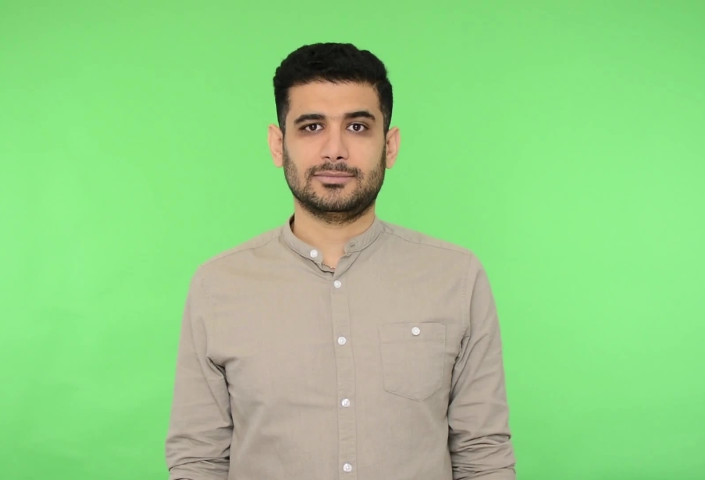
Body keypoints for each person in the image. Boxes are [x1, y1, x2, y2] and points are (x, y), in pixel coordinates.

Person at [165, 42, 516, 480]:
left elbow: (483, 455)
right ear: (278, 144)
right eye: (312, 126)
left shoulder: (456, 277)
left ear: (390, 146)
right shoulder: (218, 285)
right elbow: (198, 459)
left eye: (357, 126)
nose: (334, 150)